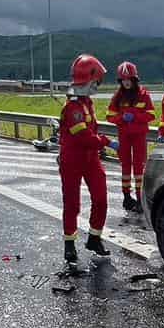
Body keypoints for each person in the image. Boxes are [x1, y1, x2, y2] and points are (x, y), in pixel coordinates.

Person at [59, 54, 113, 264]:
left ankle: (94, 238)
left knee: (101, 199)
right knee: (72, 204)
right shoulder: (72, 108)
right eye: (97, 82)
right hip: (72, 161)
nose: (98, 86)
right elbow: (83, 137)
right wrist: (107, 142)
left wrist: (100, 144)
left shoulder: (86, 103)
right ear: (89, 79)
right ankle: (69, 244)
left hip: (91, 160)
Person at [106, 61, 156, 212]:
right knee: (126, 166)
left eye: (128, 79)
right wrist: (121, 118)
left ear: (134, 79)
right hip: (124, 136)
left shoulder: (144, 95)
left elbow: (151, 115)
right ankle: (127, 197)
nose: (126, 82)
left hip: (139, 135)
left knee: (139, 166)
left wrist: (134, 116)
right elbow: (109, 116)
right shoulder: (118, 96)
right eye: (123, 80)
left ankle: (140, 199)